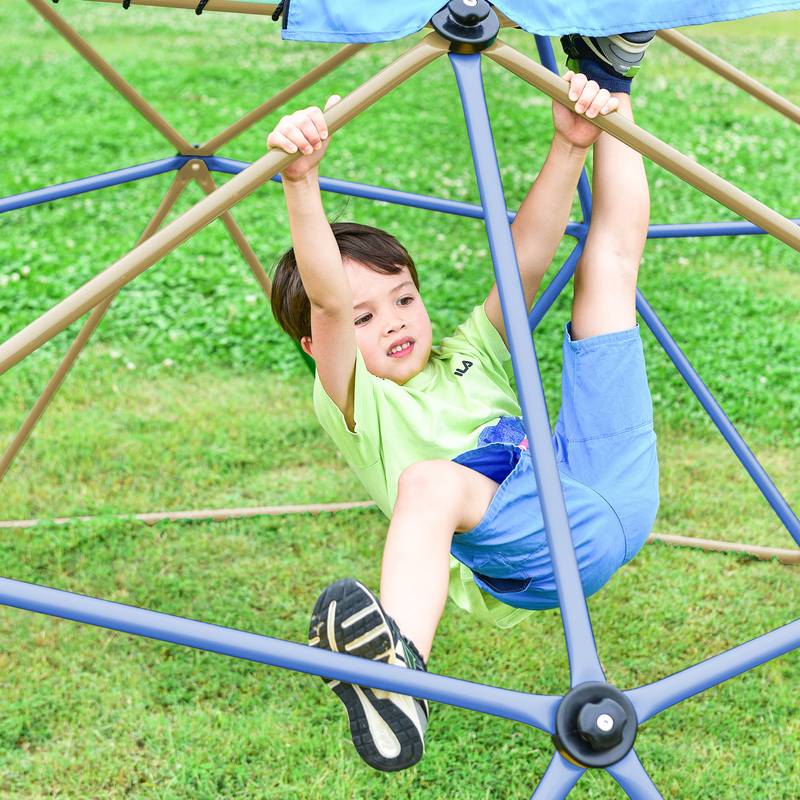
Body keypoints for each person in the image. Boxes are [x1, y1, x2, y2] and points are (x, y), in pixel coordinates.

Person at [267, 32, 659, 773]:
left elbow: (527, 254)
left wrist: (571, 144)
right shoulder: (356, 403)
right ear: (322, 346)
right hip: (540, 551)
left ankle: (612, 74)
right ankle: (398, 680)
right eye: (364, 318)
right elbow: (326, 296)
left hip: (604, 488)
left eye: (403, 299)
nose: (394, 323)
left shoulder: (471, 350)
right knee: (430, 482)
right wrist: (301, 181)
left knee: (608, 270)